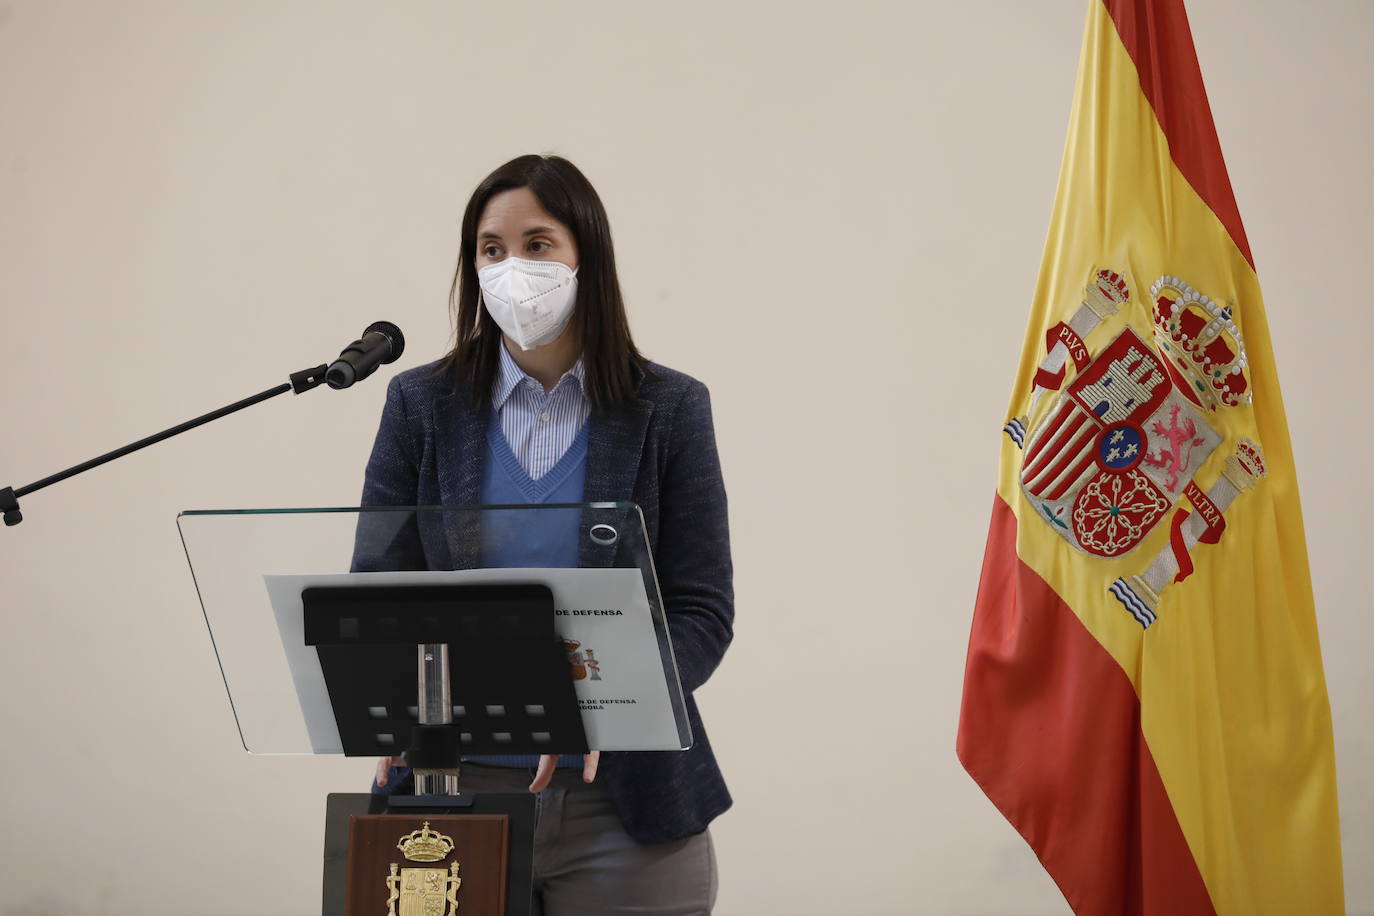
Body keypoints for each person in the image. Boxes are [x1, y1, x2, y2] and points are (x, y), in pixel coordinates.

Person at [358, 153, 733, 915]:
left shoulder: (670, 408)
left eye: (537, 244)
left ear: (585, 257)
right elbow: (377, 595)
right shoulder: (419, 405)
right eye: (491, 249)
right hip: (453, 790)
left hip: (628, 803)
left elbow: (702, 610)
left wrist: (604, 700)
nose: (512, 268)